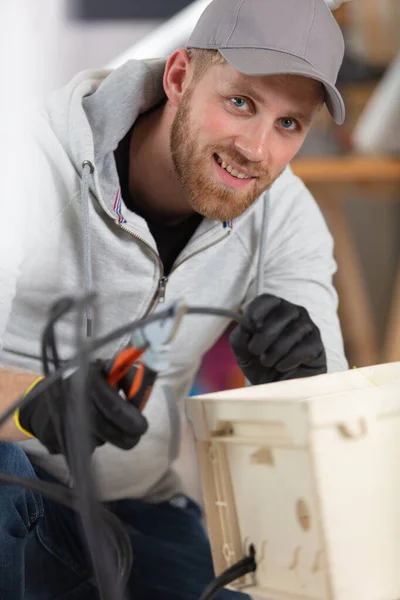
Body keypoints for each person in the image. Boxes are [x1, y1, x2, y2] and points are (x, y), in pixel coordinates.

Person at [0, 0, 348, 598]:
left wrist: (302, 385)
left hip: (137, 512)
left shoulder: (285, 217)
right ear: (180, 76)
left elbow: (334, 437)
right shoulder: (26, 163)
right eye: (241, 103)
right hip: (17, 491)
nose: (257, 150)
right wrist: (37, 400)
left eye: (289, 124)